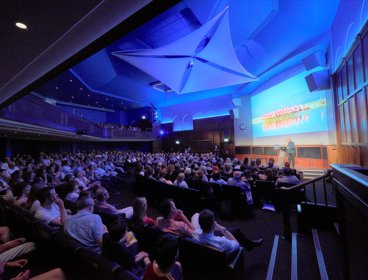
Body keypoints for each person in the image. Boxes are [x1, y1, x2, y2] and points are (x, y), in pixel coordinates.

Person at [198, 209, 263, 253]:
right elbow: (237, 245)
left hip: (209, 239)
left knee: (236, 230)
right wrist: (221, 228)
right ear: (213, 225)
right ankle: (249, 245)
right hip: (227, 259)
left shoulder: (197, 234)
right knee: (235, 233)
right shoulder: (222, 241)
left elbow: (195, 215)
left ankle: (249, 244)